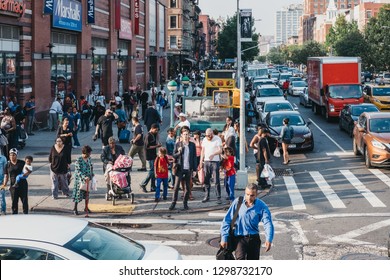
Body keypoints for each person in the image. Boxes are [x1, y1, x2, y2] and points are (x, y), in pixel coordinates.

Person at [220, 183, 274, 260]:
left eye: (252, 195)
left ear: (256, 194)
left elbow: (268, 223)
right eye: (247, 194)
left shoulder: (262, 206)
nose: (249, 198)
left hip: (254, 239)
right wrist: (224, 238)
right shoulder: (238, 202)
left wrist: (269, 239)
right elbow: (227, 220)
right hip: (240, 238)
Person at [169, 128, 197, 211]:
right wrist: (179, 152)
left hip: (188, 168)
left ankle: (185, 203)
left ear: (189, 136)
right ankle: (173, 203)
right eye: (184, 134)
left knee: (188, 188)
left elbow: (194, 157)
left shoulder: (192, 145)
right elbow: (173, 155)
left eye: (187, 134)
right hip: (180, 168)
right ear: (181, 135)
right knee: (176, 187)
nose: (186, 136)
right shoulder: (178, 144)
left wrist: (195, 169)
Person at [199, 128, 223, 204]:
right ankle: (207, 196)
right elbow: (203, 150)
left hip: (215, 161)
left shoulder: (217, 139)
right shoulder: (205, 140)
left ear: (212, 134)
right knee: (206, 179)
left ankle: (218, 197)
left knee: (216, 180)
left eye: (209, 135)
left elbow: (220, 150)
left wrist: (213, 154)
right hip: (206, 161)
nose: (208, 137)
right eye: (207, 136)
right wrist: (201, 161)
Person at [3, 148, 29, 214]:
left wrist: (25, 174)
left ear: (16, 155)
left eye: (13, 155)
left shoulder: (22, 163)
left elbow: (28, 171)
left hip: (22, 184)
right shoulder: (7, 165)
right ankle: (15, 216)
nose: (12, 156)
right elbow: (6, 176)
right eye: (10, 155)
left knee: (24, 201)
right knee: (14, 202)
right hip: (13, 186)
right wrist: (4, 184)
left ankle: (26, 215)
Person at [71, 145, 93, 215]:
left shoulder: (89, 159)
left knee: (87, 195)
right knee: (78, 195)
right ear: (85, 153)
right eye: (89, 153)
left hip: (88, 179)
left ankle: (86, 207)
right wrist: (84, 177)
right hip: (80, 180)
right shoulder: (79, 160)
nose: (90, 155)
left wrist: (92, 174)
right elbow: (78, 171)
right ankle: (75, 208)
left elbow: (91, 167)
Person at [139, 123, 161, 192]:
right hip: (149, 155)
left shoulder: (154, 135)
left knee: (154, 171)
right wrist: (156, 146)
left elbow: (156, 140)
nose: (156, 131)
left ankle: (153, 186)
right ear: (152, 128)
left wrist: (157, 136)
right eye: (155, 130)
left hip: (154, 154)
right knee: (151, 171)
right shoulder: (148, 136)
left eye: (157, 130)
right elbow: (147, 147)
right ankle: (143, 183)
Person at [0, 150, 7, 215]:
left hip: (1, 182)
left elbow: (6, 171)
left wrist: (5, 181)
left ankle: (3, 210)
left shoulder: (3, 158)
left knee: (2, 197)